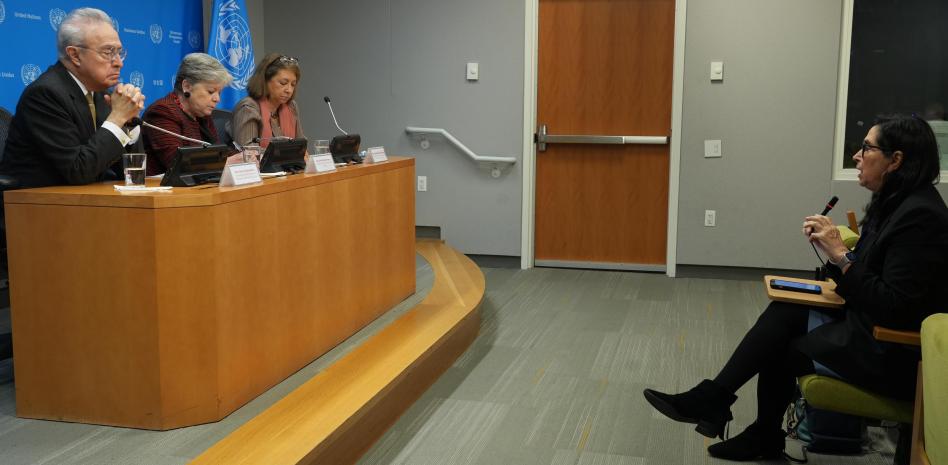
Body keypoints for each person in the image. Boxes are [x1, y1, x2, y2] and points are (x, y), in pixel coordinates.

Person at [644, 114, 948, 461]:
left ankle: (735, 415)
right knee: (786, 310)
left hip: (892, 354)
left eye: (866, 148)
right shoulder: (895, 203)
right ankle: (725, 405)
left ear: (896, 160)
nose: (856, 155)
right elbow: (870, 273)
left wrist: (840, 255)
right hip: (867, 326)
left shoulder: (920, 217)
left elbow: (893, 306)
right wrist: (835, 254)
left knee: (783, 345)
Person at [0, 7, 145, 189]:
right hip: (39, 202)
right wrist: (117, 118)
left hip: (87, 199)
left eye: (119, 52)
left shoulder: (102, 95)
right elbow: (78, 170)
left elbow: (130, 173)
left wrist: (128, 122)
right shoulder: (45, 95)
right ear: (75, 55)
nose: (119, 63)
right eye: (108, 52)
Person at [141, 53, 232, 175]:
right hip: (163, 186)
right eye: (211, 91)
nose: (217, 99)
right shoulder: (162, 111)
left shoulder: (202, 114)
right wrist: (226, 162)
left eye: (219, 93)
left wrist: (244, 156)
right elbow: (177, 163)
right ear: (187, 86)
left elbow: (219, 151)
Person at [231, 53, 306, 147]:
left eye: (293, 84)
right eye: (283, 83)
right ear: (265, 80)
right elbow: (248, 152)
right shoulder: (248, 108)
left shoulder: (291, 106)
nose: (289, 90)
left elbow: (301, 146)